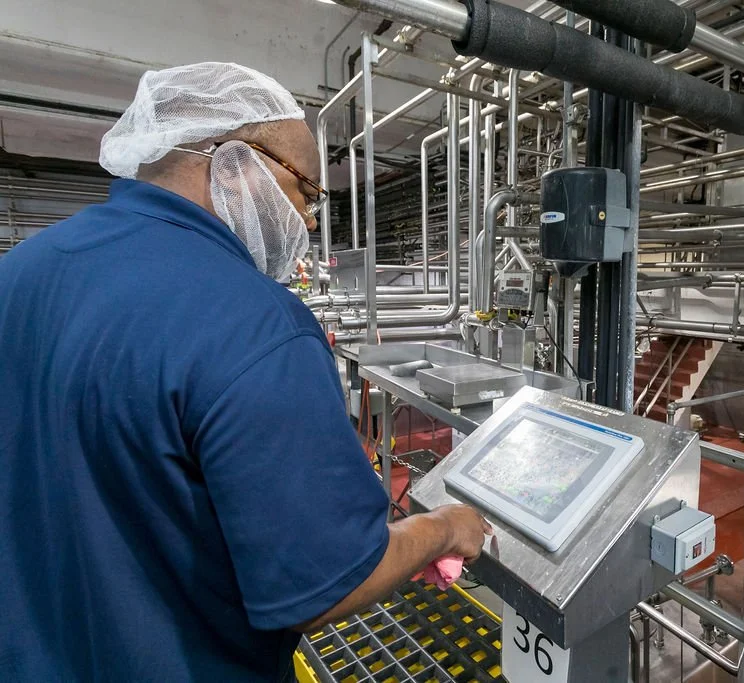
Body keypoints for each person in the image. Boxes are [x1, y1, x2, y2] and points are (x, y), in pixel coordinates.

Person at [0, 62, 490, 682]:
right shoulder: (256, 323)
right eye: (306, 191)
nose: (308, 221)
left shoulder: (23, 268)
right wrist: (443, 529)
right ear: (234, 161)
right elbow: (327, 584)